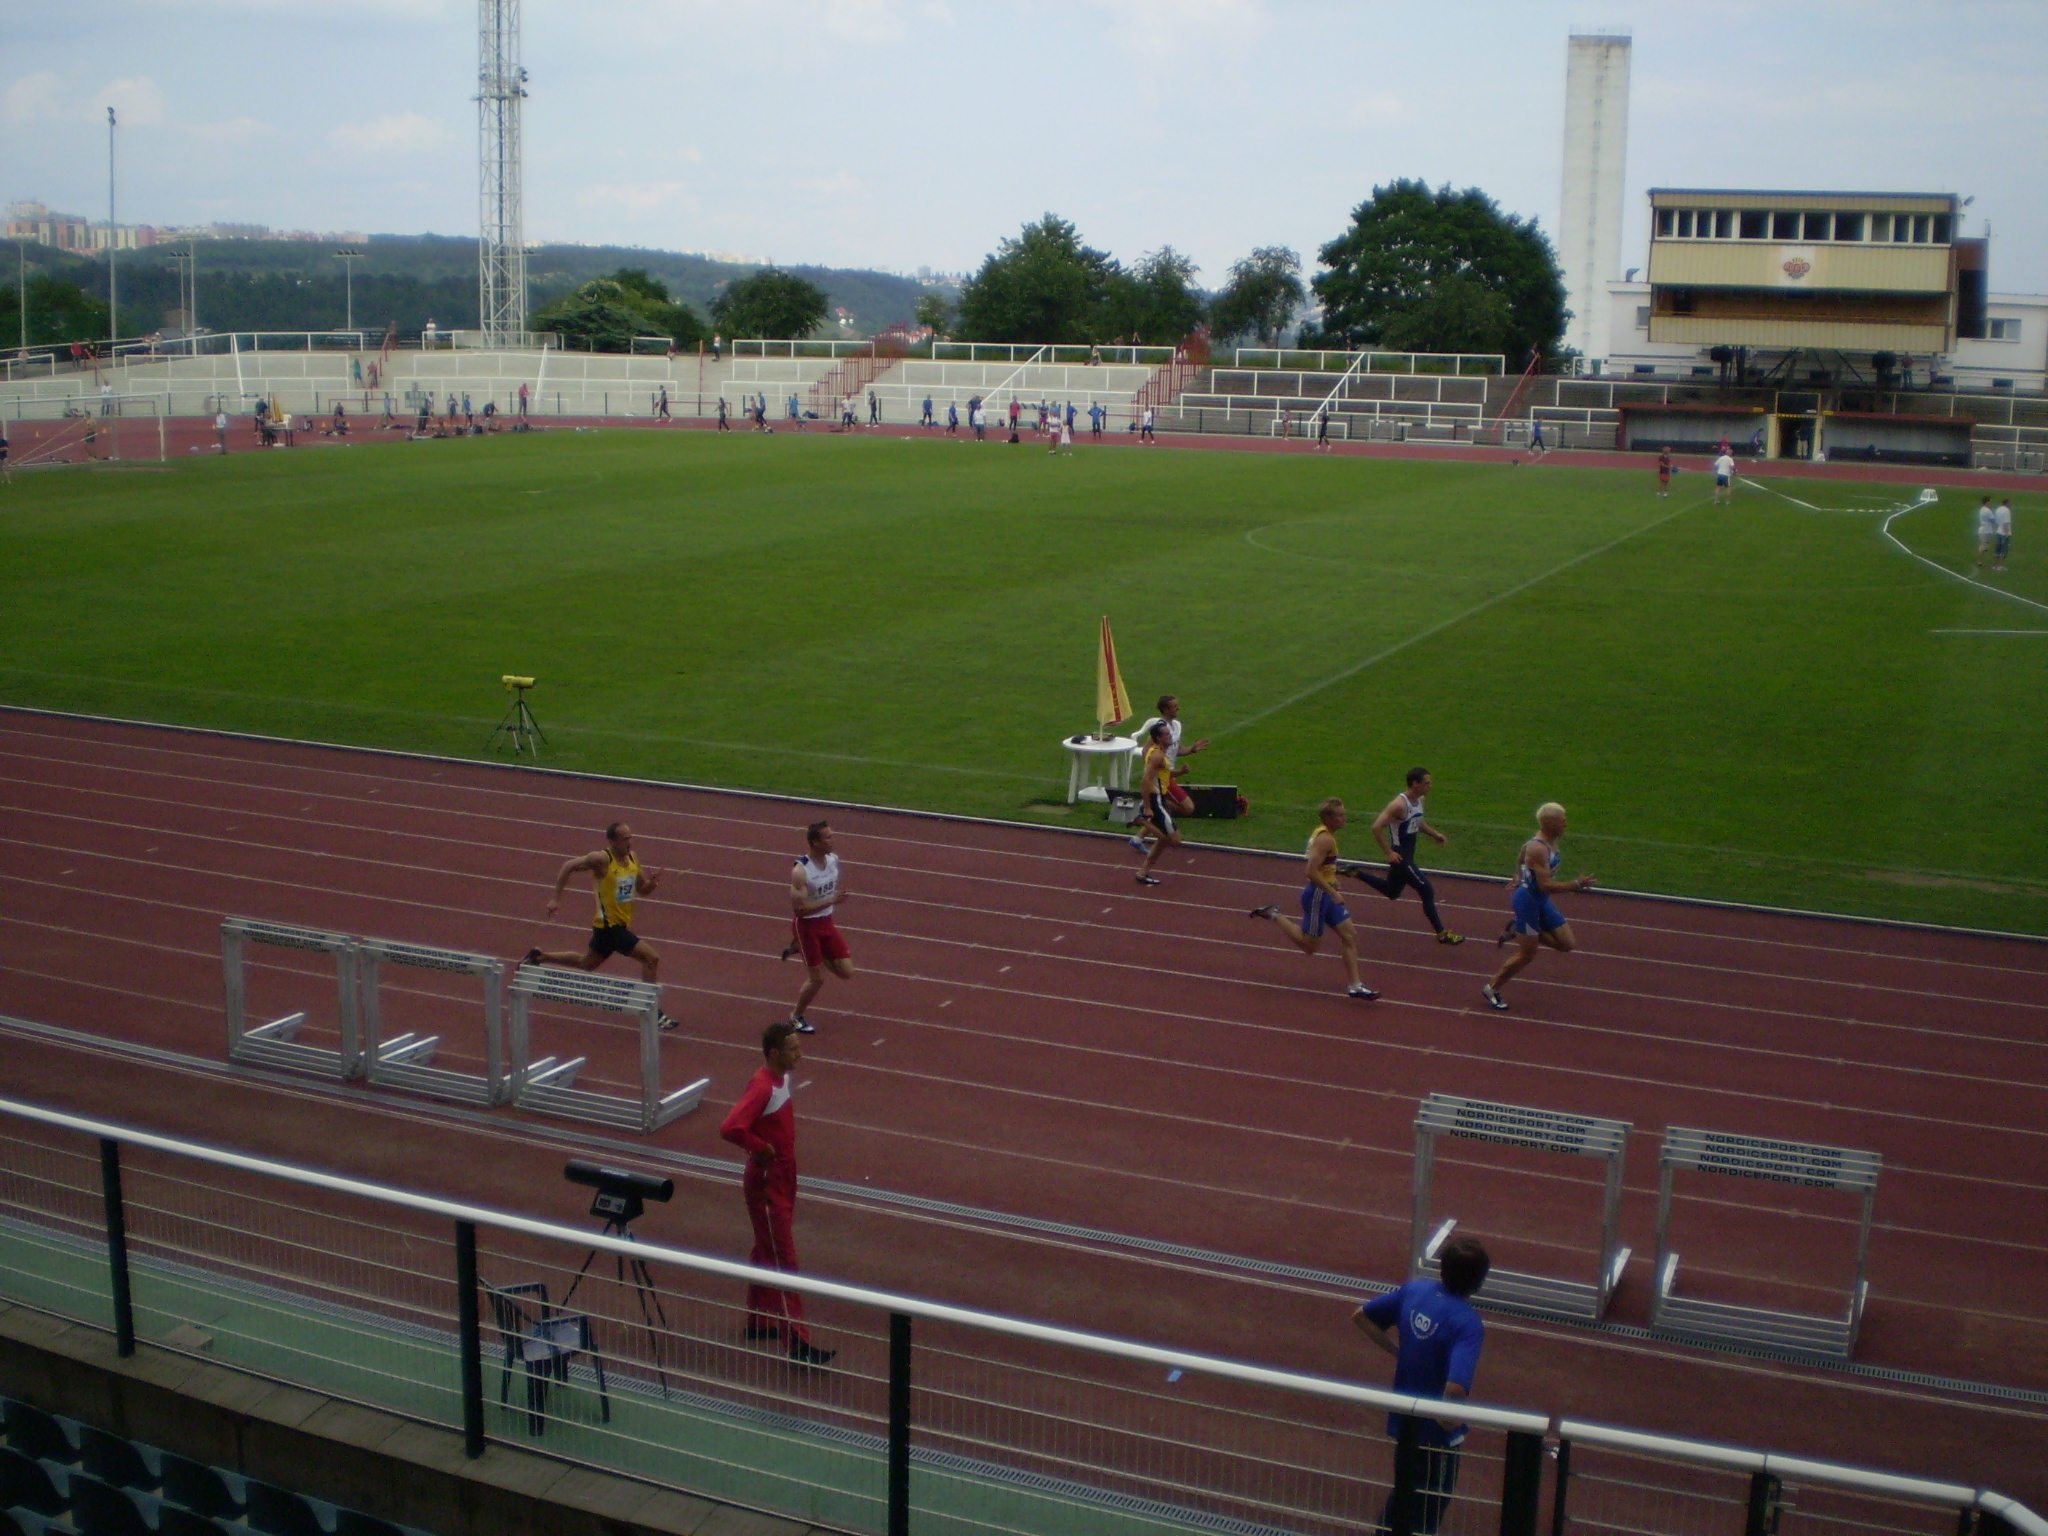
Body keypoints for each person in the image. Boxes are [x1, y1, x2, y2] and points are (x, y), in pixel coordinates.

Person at [1354, 1236, 1490, 1536]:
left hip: (1404, 1419)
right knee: (1428, 1509)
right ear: (1479, 1281)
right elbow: (1455, 1387)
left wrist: (1397, 1351)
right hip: (1436, 1436)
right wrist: (1446, 1421)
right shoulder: (1467, 1323)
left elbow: (1362, 1316)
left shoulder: (1416, 1291)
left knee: (1404, 1495)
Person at [720, 1022, 835, 1366]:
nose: (800, 1053)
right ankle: (797, 1343)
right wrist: (760, 1147)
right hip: (769, 1180)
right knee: (783, 1258)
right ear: (774, 1053)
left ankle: (761, 1320)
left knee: (765, 1247)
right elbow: (730, 1127)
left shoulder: (782, 1079)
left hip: (783, 1174)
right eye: (793, 1049)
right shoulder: (763, 1086)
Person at [521, 821, 679, 1028]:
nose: (629, 843)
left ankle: (539, 956)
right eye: (625, 839)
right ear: (612, 841)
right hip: (609, 927)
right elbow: (568, 866)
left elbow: (643, 890)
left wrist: (654, 882)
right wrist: (556, 898)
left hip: (616, 926)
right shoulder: (601, 859)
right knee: (651, 958)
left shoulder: (633, 859)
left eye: (631, 838)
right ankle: (653, 1011)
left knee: (587, 963)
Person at [1249, 798, 1380, 1000]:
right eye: (1341, 815)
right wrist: (1333, 892)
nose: (1345, 818)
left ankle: (1355, 985)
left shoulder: (1326, 835)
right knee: (1310, 946)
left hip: (1325, 893)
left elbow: (1322, 867)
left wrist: (1333, 879)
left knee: (1350, 936)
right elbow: (1310, 871)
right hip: (1318, 896)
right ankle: (1274, 914)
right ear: (1329, 818)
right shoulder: (1324, 839)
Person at [1483, 803, 1595, 1012]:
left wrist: (1518, 874)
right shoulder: (1539, 848)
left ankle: (1518, 929)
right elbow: (1546, 885)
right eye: (1563, 820)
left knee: (1566, 944)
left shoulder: (1548, 842)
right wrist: (1577, 884)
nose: (1566, 824)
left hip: (1541, 901)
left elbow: (1521, 852)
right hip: (1528, 903)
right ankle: (1492, 988)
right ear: (1550, 823)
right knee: (1528, 954)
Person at [1348, 768, 1464, 945]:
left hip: (1409, 854)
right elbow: (1376, 827)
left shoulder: (1420, 801)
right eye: (1427, 783)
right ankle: (1441, 934)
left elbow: (1417, 822)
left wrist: (1434, 834)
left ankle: (1356, 872)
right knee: (1426, 889)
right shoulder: (1398, 805)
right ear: (1415, 784)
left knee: (1392, 892)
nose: (1430, 787)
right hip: (1401, 856)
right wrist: (1389, 853)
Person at [778, 820, 853, 1035]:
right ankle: (796, 1016)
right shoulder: (801, 871)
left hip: (826, 923)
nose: (833, 840)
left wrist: (831, 901)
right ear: (815, 843)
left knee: (846, 972)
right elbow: (800, 910)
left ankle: (799, 948)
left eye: (832, 835)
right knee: (818, 978)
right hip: (807, 927)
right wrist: (832, 900)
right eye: (828, 837)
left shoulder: (833, 861)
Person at [1132, 722, 1181, 886]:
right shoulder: (1157, 756)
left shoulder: (1158, 753)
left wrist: (1181, 772)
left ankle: (1143, 872)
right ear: (1158, 738)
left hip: (1160, 798)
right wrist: (1147, 807)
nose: (1170, 736)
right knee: (1174, 840)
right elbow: (1145, 780)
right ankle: (1142, 820)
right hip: (1156, 800)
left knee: (1164, 839)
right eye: (1166, 734)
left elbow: (1163, 775)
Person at [1974, 497, 1998, 569]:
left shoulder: (1982, 510)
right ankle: (1980, 561)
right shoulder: (1988, 511)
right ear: (1987, 502)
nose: (1991, 503)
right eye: (1990, 502)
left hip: (1984, 529)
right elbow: (1993, 520)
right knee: (1983, 546)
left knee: (1985, 545)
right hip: (1985, 530)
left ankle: (1980, 560)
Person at [1993, 497, 2013, 571]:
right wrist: (2007, 533)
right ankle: (2000, 566)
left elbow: (1996, 521)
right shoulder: (2006, 511)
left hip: (1998, 531)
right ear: (2007, 503)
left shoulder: (1998, 509)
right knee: (2003, 550)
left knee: (1997, 549)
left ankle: (1995, 565)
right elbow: (2006, 523)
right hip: (2004, 532)